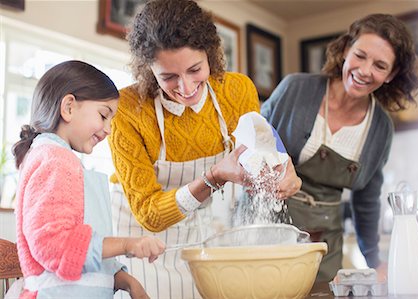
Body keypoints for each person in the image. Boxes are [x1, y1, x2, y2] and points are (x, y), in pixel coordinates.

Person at [108, 0, 302, 298]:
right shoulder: (128, 110)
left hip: (202, 236)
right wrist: (213, 178)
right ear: (148, 70)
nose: (185, 87)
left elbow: (261, 152)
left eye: (194, 69)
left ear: (210, 54)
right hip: (142, 245)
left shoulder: (237, 90)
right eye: (168, 76)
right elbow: (149, 214)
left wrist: (282, 172)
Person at [261, 13, 418, 282]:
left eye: (380, 65)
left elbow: (367, 200)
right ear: (346, 50)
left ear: (391, 75)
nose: (365, 70)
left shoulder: (380, 128)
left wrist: (374, 260)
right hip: (264, 229)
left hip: (322, 245)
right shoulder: (295, 88)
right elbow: (254, 139)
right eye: (360, 55)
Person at [12, 60, 165, 298]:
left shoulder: (60, 159)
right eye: (104, 115)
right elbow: (54, 245)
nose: (108, 129)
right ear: (69, 107)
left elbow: (83, 249)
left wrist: (126, 281)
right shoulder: (54, 160)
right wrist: (126, 244)